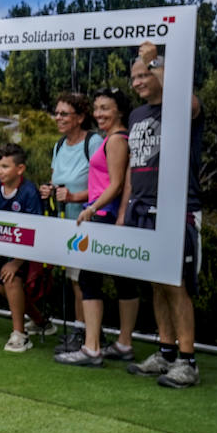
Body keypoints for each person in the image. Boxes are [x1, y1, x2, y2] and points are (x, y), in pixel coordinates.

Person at [121, 45, 203, 389]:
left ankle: (188, 361)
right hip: (142, 209)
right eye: (134, 76)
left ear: (161, 72)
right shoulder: (137, 115)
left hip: (178, 208)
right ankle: (165, 352)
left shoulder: (184, 106)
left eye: (145, 73)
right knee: (157, 282)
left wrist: (158, 60)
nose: (138, 81)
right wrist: (126, 211)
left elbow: (188, 104)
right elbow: (131, 168)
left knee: (176, 283)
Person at [57, 87, 138, 367]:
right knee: (123, 280)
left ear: (119, 111)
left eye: (105, 108)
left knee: (89, 280)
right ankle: (123, 344)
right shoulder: (114, 138)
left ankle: (92, 348)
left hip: (103, 216)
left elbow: (116, 184)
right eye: (97, 108)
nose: (99, 113)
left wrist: (91, 208)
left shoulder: (116, 140)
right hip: (107, 216)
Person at [41, 91, 103, 352]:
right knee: (74, 279)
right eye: (56, 113)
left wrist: (75, 195)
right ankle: (82, 331)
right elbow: (57, 181)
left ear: (80, 117)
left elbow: (109, 185)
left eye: (64, 114)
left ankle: (86, 333)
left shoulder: (94, 141)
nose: (58, 118)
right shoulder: (58, 145)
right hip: (66, 222)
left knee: (82, 280)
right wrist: (49, 191)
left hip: (88, 222)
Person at [0, 144, 42, 352]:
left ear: (20, 169)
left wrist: (16, 262)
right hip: (3, 247)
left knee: (11, 280)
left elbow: (35, 231)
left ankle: (20, 335)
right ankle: (42, 322)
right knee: (1, 286)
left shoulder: (29, 192)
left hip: (26, 251)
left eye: (5, 166)